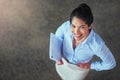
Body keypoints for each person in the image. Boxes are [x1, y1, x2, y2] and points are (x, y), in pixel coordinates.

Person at [50, 3, 116, 80]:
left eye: (82, 27)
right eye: (73, 26)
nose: (76, 32)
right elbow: (58, 36)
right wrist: (57, 57)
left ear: (90, 26)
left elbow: (111, 63)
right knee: (64, 78)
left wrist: (91, 65)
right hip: (63, 62)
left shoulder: (97, 44)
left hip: (79, 70)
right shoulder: (66, 26)